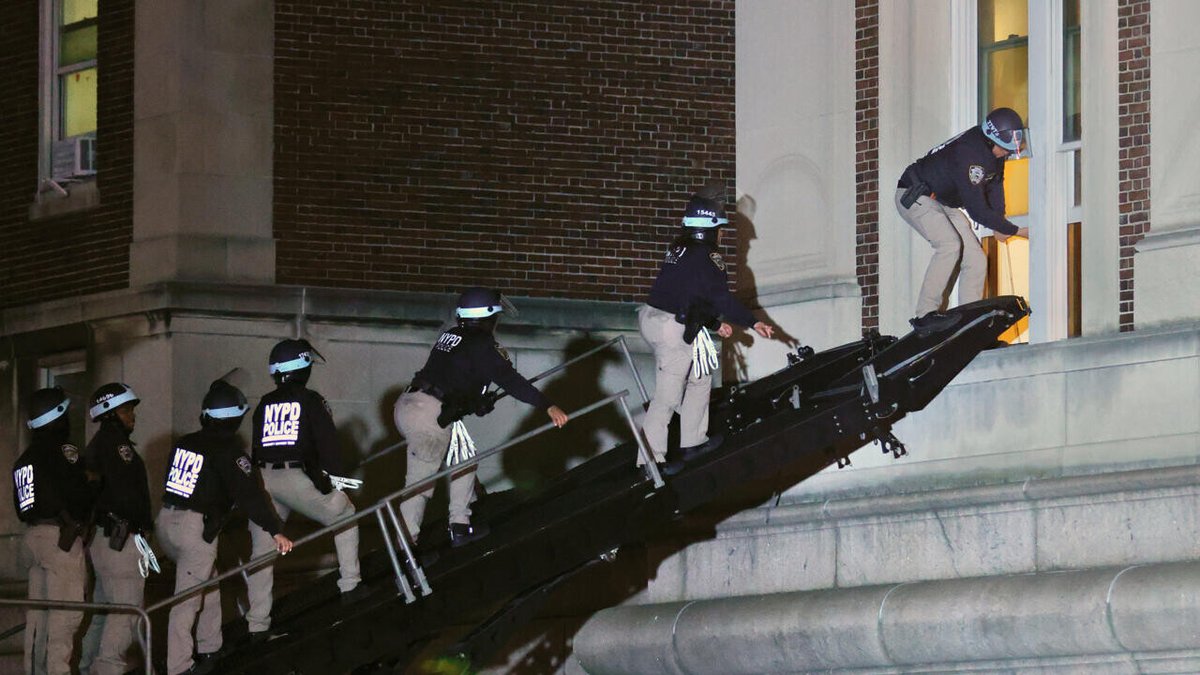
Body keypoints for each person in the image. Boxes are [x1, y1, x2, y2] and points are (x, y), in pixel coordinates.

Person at [394, 288, 569, 548]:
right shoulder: (481, 343)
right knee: (419, 483)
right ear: (488, 318)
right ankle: (405, 550)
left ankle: (460, 526)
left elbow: (454, 376)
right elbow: (511, 381)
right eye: (496, 317)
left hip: (412, 404)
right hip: (430, 414)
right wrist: (547, 405)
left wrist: (474, 400)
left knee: (465, 456)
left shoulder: (451, 336)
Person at [156, 378, 294, 675]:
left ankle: (210, 647)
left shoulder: (186, 442)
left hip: (167, 523)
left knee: (209, 583)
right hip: (195, 529)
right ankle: (179, 667)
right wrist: (275, 529)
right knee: (188, 599)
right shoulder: (229, 451)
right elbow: (251, 496)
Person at [640, 185, 775, 475]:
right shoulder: (707, 257)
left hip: (663, 318)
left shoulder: (680, 249)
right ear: (709, 229)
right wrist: (754, 322)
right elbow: (720, 297)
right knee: (668, 395)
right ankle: (650, 463)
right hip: (671, 325)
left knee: (700, 376)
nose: (723, 234)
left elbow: (691, 295)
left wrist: (714, 324)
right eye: (720, 228)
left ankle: (693, 442)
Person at [245, 338, 362, 639]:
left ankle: (257, 624)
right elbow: (327, 444)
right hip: (292, 477)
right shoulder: (310, 400)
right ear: (303, 367)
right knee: (345, 515)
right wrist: (333, 480)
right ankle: (350, 585)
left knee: (261, 552)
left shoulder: (264, 404)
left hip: (262, 479)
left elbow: (259, 445)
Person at [896, 107, 1032, 332]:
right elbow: (977, 209)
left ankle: (971, 322)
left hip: (941, 202)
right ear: (991, 141)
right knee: (950, 244)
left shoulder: (994, 154)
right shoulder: (970, 155)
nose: (1006, 154)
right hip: (914, 194)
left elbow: (996, 185)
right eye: (1004, 149)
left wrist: (1000, 222)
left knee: (976, 258)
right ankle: (925, 315)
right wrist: (1016, 231)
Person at [12, 387, 92, 675]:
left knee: (38, 619)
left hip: (33, 537)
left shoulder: (24, 459)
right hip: (61, 538)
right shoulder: (64, 450)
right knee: (65, 617)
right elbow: (78, 492)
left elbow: (23, 506)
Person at [80, 382, 153, 675]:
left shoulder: (99, 445)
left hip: (104, 537)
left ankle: (87, 667)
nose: (132, 416)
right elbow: (127, 495)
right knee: (125, 609)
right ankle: (107, 669)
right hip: (119, 538)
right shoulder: (116, 446)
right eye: (126, 410)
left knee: (103, 611)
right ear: (109, 413)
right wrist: (141, 528)